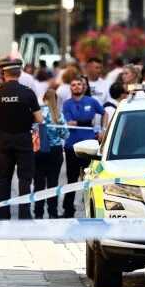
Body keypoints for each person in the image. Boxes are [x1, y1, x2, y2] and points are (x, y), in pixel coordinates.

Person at [0, 58, 43, 220]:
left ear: (4, 74)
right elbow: (40, 119)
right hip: (23, 139)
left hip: (4, 139)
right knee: (24, 179)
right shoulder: (28, 93)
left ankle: (3, 215)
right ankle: (24, 215)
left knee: (4, 178)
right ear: (19, 73)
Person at [62, 77, 107, 218]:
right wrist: (86, 120)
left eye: (79, 84)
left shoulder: (91, 101)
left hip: (90, 146)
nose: (76, 86)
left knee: (90, 177)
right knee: (71, 178)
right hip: (72, 146)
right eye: (73, 84)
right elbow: (71, 122)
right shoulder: (67, 104)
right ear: (70, 88)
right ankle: (68, 210)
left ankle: (93, 208)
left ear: (84, 87)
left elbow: (104, 112)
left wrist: (103, 129)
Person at [33, 89, 69, 219]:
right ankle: (52, 213)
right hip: (55, 151)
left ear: (43, 98)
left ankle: (38, 213)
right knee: (53, 183)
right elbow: (65, 134)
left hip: (39, 151)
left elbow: (32, 131)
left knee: (38, 183)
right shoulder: (58, 115)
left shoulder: (37, 113)